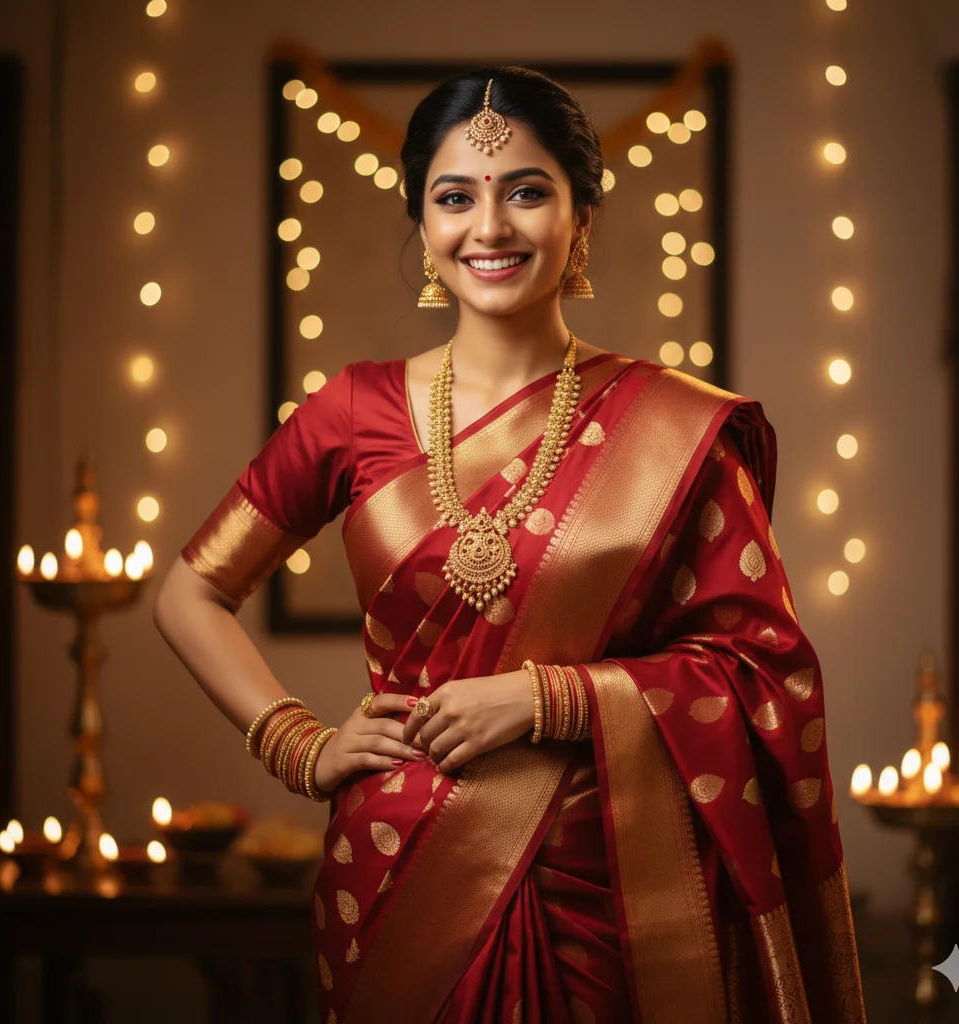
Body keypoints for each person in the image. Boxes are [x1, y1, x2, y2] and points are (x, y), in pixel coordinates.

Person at [154, 65, 867, 1024]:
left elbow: (763, 673)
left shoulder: (673, 430)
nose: (488, 229)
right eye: (454, 198)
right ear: (424, 222)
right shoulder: (351, 410)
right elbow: (187, 593)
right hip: (395, 872)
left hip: (611, 892)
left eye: (527, 192)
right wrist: (301, 746)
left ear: (581, 217)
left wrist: (551, 698)